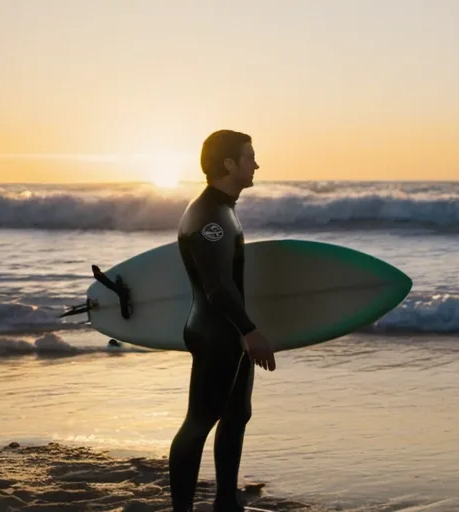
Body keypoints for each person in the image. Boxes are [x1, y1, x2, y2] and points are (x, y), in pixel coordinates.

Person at [169, 129, 277, 512]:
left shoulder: (223, 209)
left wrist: (244, 331)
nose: (256, 164)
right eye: (249, 157)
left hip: (228, 331)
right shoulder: (210, 216)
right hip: (216, 333)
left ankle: (226, 502)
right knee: (200, 422)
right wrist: (250, 331)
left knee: (236, 415)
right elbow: (216, 287)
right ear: (229, 163)